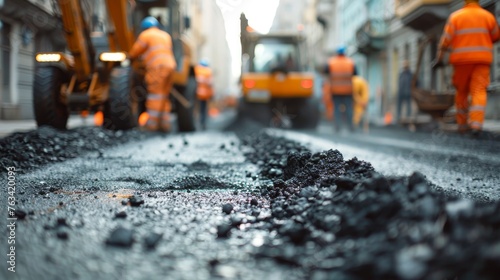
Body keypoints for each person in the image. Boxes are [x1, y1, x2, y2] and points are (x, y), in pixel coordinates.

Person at [434, 0, 500, 135]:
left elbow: (445, 41)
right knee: (479, 91)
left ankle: (462, 125)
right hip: (481, 60)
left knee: (462, 92)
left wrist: (439, 59)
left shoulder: (456, 17)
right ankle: (476, 125)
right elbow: (496, 36)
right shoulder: (488, 16)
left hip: (461, 62)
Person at [128, 16, 177, 132]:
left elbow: (136, 50)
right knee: (164, 95)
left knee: (155, 95)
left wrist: (129, 57)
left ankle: (152, 125)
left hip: (157, 68)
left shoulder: (146, 35)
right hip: (170, 67)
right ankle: (165, 124)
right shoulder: (165, 35)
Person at [324, 45, 357, 132]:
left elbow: (326, 72)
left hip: (335, 90)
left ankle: (337, 126)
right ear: (344, 53)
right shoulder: (350, 62)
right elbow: (356, 74)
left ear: (337, 53)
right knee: (349, 108)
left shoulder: (331, 62)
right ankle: (351, 126)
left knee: (336, 109)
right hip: (348, 90)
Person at [194, 59, 214, 130]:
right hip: (205, 95)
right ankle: (203, 123)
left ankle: (198, 122)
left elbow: (195, 81)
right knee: (204, 109)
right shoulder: (208, 71)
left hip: (197, 94)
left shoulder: (197, 70)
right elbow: (210, 83)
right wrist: (212, 94)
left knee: (197, 109)